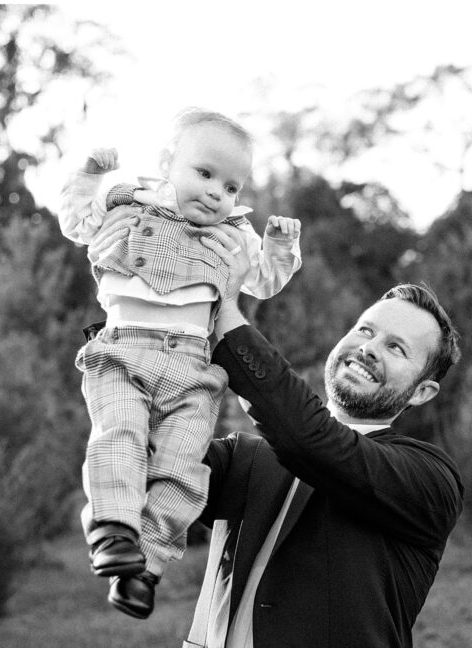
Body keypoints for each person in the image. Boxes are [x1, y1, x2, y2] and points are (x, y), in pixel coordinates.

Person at [86, 211, 463, 648]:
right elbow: (142, 451)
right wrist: (135, 313)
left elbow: (310, 439)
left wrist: (225, 309)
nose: (368, 349)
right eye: (365, 330)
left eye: (395, 347)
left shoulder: (432, 480)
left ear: (422, 391)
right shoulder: (246, 459)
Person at [59, 106, 302, 619]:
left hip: (193, 369)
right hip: (124, 349)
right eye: (205, 173)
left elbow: (263, 281)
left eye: (232, 187)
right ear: (168, 162)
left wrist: (280, 247)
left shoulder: (236, 234)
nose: (218, 192)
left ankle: (145, 567)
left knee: (183, 467)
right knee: (119, 435)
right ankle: (113, 531)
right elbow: (76, 219)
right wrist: (90, 174)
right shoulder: (131, 200)